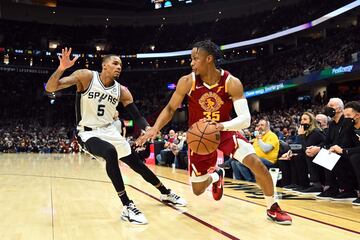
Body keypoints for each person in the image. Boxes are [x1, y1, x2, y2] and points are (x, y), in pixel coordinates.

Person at [137, 40, 292, 225]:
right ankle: (216, 175)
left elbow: (245, 119)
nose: (191, 63)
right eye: (191, 59)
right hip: (198, 136)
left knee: (257, 164)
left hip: (224, 130)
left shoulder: (231, 82)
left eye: (195, 59)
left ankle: (273, 207)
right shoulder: (187, 82)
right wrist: (155, 128)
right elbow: (170, 109)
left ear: (208, 59)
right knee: (197, 190)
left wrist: (221, 126)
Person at [45, 48, 186, 225]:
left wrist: (148, 128)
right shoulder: (86, 76)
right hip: (88, 132)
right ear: (104, 65)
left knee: (138, 165)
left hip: (110, 131)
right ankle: (127, 205)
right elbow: (50, 88)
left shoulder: (122, 91)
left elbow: (137, 116)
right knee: (110, 152)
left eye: (121, 65)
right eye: (115, 63)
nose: (119, 67)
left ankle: (165, 192)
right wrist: (61, 68)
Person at [329, 101, 360, 205]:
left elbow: (347, 149)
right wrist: (336, 149)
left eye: (348, 115)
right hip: (354, 153)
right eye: (345, 115)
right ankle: (347, 190)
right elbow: (345, 144)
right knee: (333, 156)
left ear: (358, 115)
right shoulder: (349, 127)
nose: (346, 118)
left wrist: (344, 151)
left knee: (355, 157)